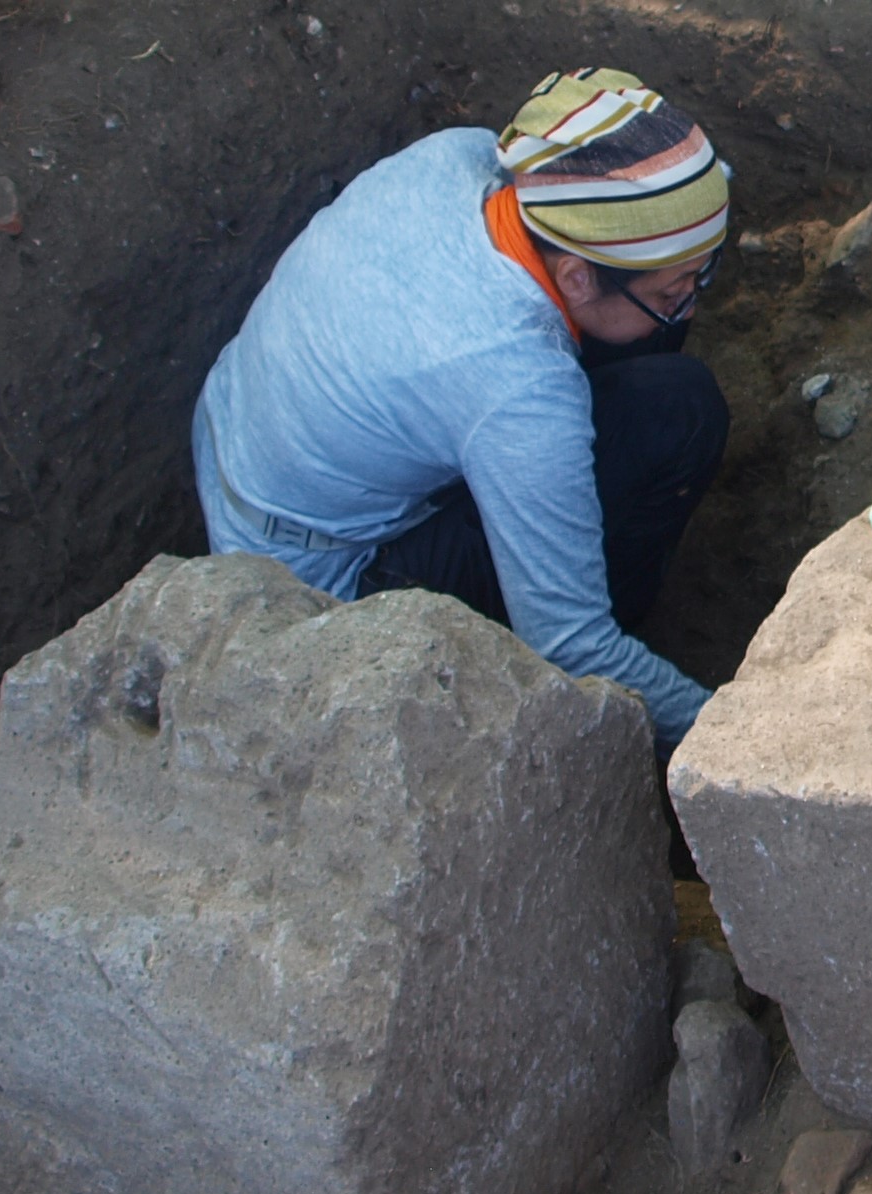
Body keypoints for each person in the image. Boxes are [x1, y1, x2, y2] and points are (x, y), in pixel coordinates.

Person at [193, 67, 730, 749]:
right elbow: (572, 644)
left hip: (243, 438)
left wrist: (660, 298)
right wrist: (730, 736)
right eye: (678, 285)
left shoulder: (463, 157)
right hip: (323, 589)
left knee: (649, 330)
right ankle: (603, 693)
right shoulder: (518, 392)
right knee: (675, 412)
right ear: (575, 276)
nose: (691, 297)